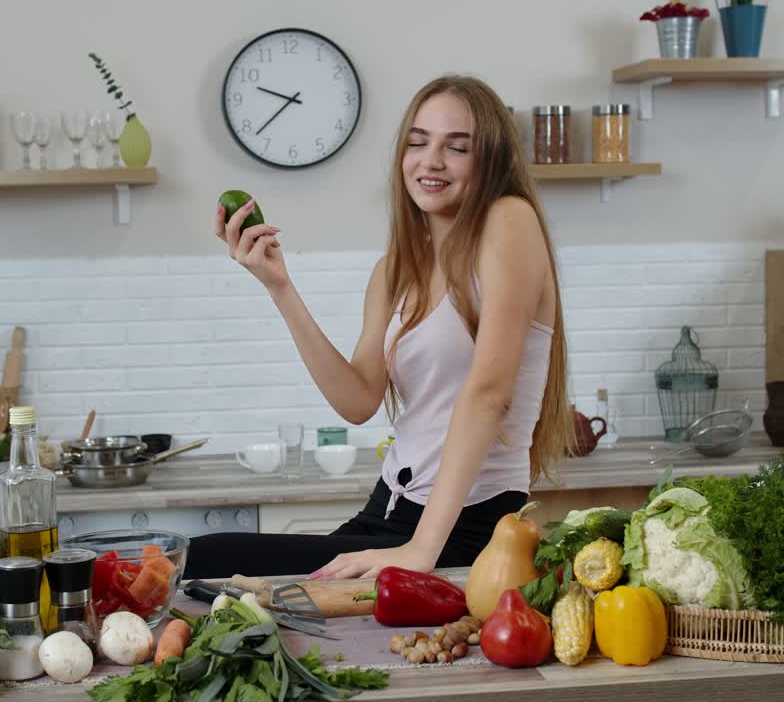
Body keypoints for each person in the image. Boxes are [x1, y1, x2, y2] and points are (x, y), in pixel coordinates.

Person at [184, 75, 572, 581]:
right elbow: (358, 400)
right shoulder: (396, 270)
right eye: (417, 142)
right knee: (209, 571)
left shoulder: (509, 219)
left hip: (465, 527)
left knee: (207, 563)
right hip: (386, 510)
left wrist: (419, 552)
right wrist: (279, 286)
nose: (430, 161)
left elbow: (490, 392)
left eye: (456, 147)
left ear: (491, 160)